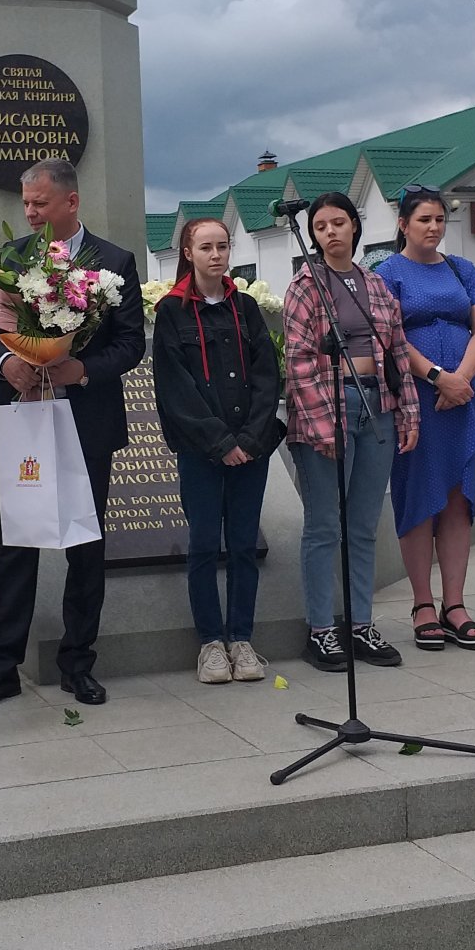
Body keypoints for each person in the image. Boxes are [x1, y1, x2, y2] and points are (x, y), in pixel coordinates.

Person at [0, 157, 146, 712]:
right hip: (26, 414)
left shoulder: (114, 262)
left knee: (86, 543)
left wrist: (81, 370)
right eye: (25, 204)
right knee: (15, 542)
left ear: (71, 202)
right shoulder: (11, 258)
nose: (30, 212)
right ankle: (0, 670)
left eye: (39, 203)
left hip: (86, 418)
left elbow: (132, 343)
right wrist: (6, 364)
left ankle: (78, 663)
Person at [283, 192, 419, 672]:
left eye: (339, 222)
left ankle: (360, 623)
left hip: (376, 406)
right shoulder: (305, 286)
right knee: (325, 527)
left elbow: (398, 353)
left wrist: (408, 414)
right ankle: (322, 629)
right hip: (326, 409)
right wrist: (323, 426)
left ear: (355, 227)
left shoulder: (377, 285)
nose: (331, 232)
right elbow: (298, 361)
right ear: (314, 235)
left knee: (363, 527)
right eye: (320, 226)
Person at [151, 218, 283, 683]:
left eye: (222, 246)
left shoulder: (244, 307)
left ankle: (241, 639)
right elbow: (175, 387)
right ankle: (210, 642)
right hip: (202, 451)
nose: (216, 255)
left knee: (244, 545)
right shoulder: (171, 312)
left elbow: (268, 376)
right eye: (205, 246)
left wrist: (247, 440)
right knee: (206, 545)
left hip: (252, 449)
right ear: (188, 252)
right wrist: (220, 442)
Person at [372, 185, 475, 651]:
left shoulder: (464, 269)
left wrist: (462, 378)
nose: (433, 227)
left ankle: (455, 603)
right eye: (423, 219)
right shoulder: (388, 273)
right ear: (403, 224)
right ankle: (423, 602)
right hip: (418, 395)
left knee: (460, 497)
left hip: (465, 396)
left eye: (440, 219)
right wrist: (438, 376)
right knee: (420, 494)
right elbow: (389, 336)